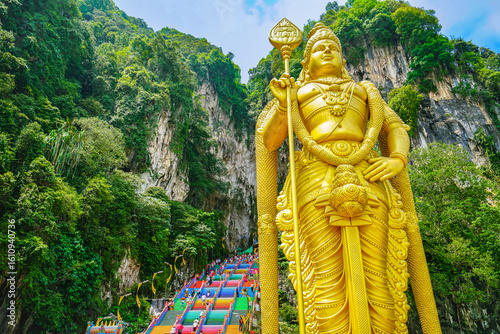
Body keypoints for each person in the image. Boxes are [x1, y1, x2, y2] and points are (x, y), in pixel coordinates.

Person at [256, 22, 441, 333]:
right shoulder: (297, 92)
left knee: (377, 273)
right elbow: (270, 140)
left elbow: (394, 128)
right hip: (316, 181)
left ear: (343, 59)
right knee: (326, 277)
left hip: (368, 175)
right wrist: (282, 103)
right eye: (318, 48)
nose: (327, 50)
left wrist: (397, 158)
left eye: (334, 48)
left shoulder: (364, 91)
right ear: (306, 62)